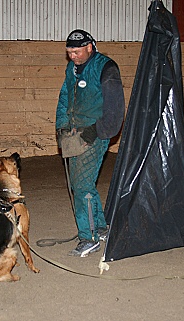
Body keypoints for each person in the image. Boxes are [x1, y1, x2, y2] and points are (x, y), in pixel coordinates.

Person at [55, 29, 125, 257]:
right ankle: (102, 228)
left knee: (82, 186)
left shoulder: (107, 68)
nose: (72, 56)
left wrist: (94, 133)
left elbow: (115, 113)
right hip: (75, 132)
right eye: (69, 52)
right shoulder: (72, 69)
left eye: (76, 51)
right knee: (82, 184)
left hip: (95, 134)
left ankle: (89, 238)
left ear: (90, 47)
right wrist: (62, 126)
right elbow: (64, 95)